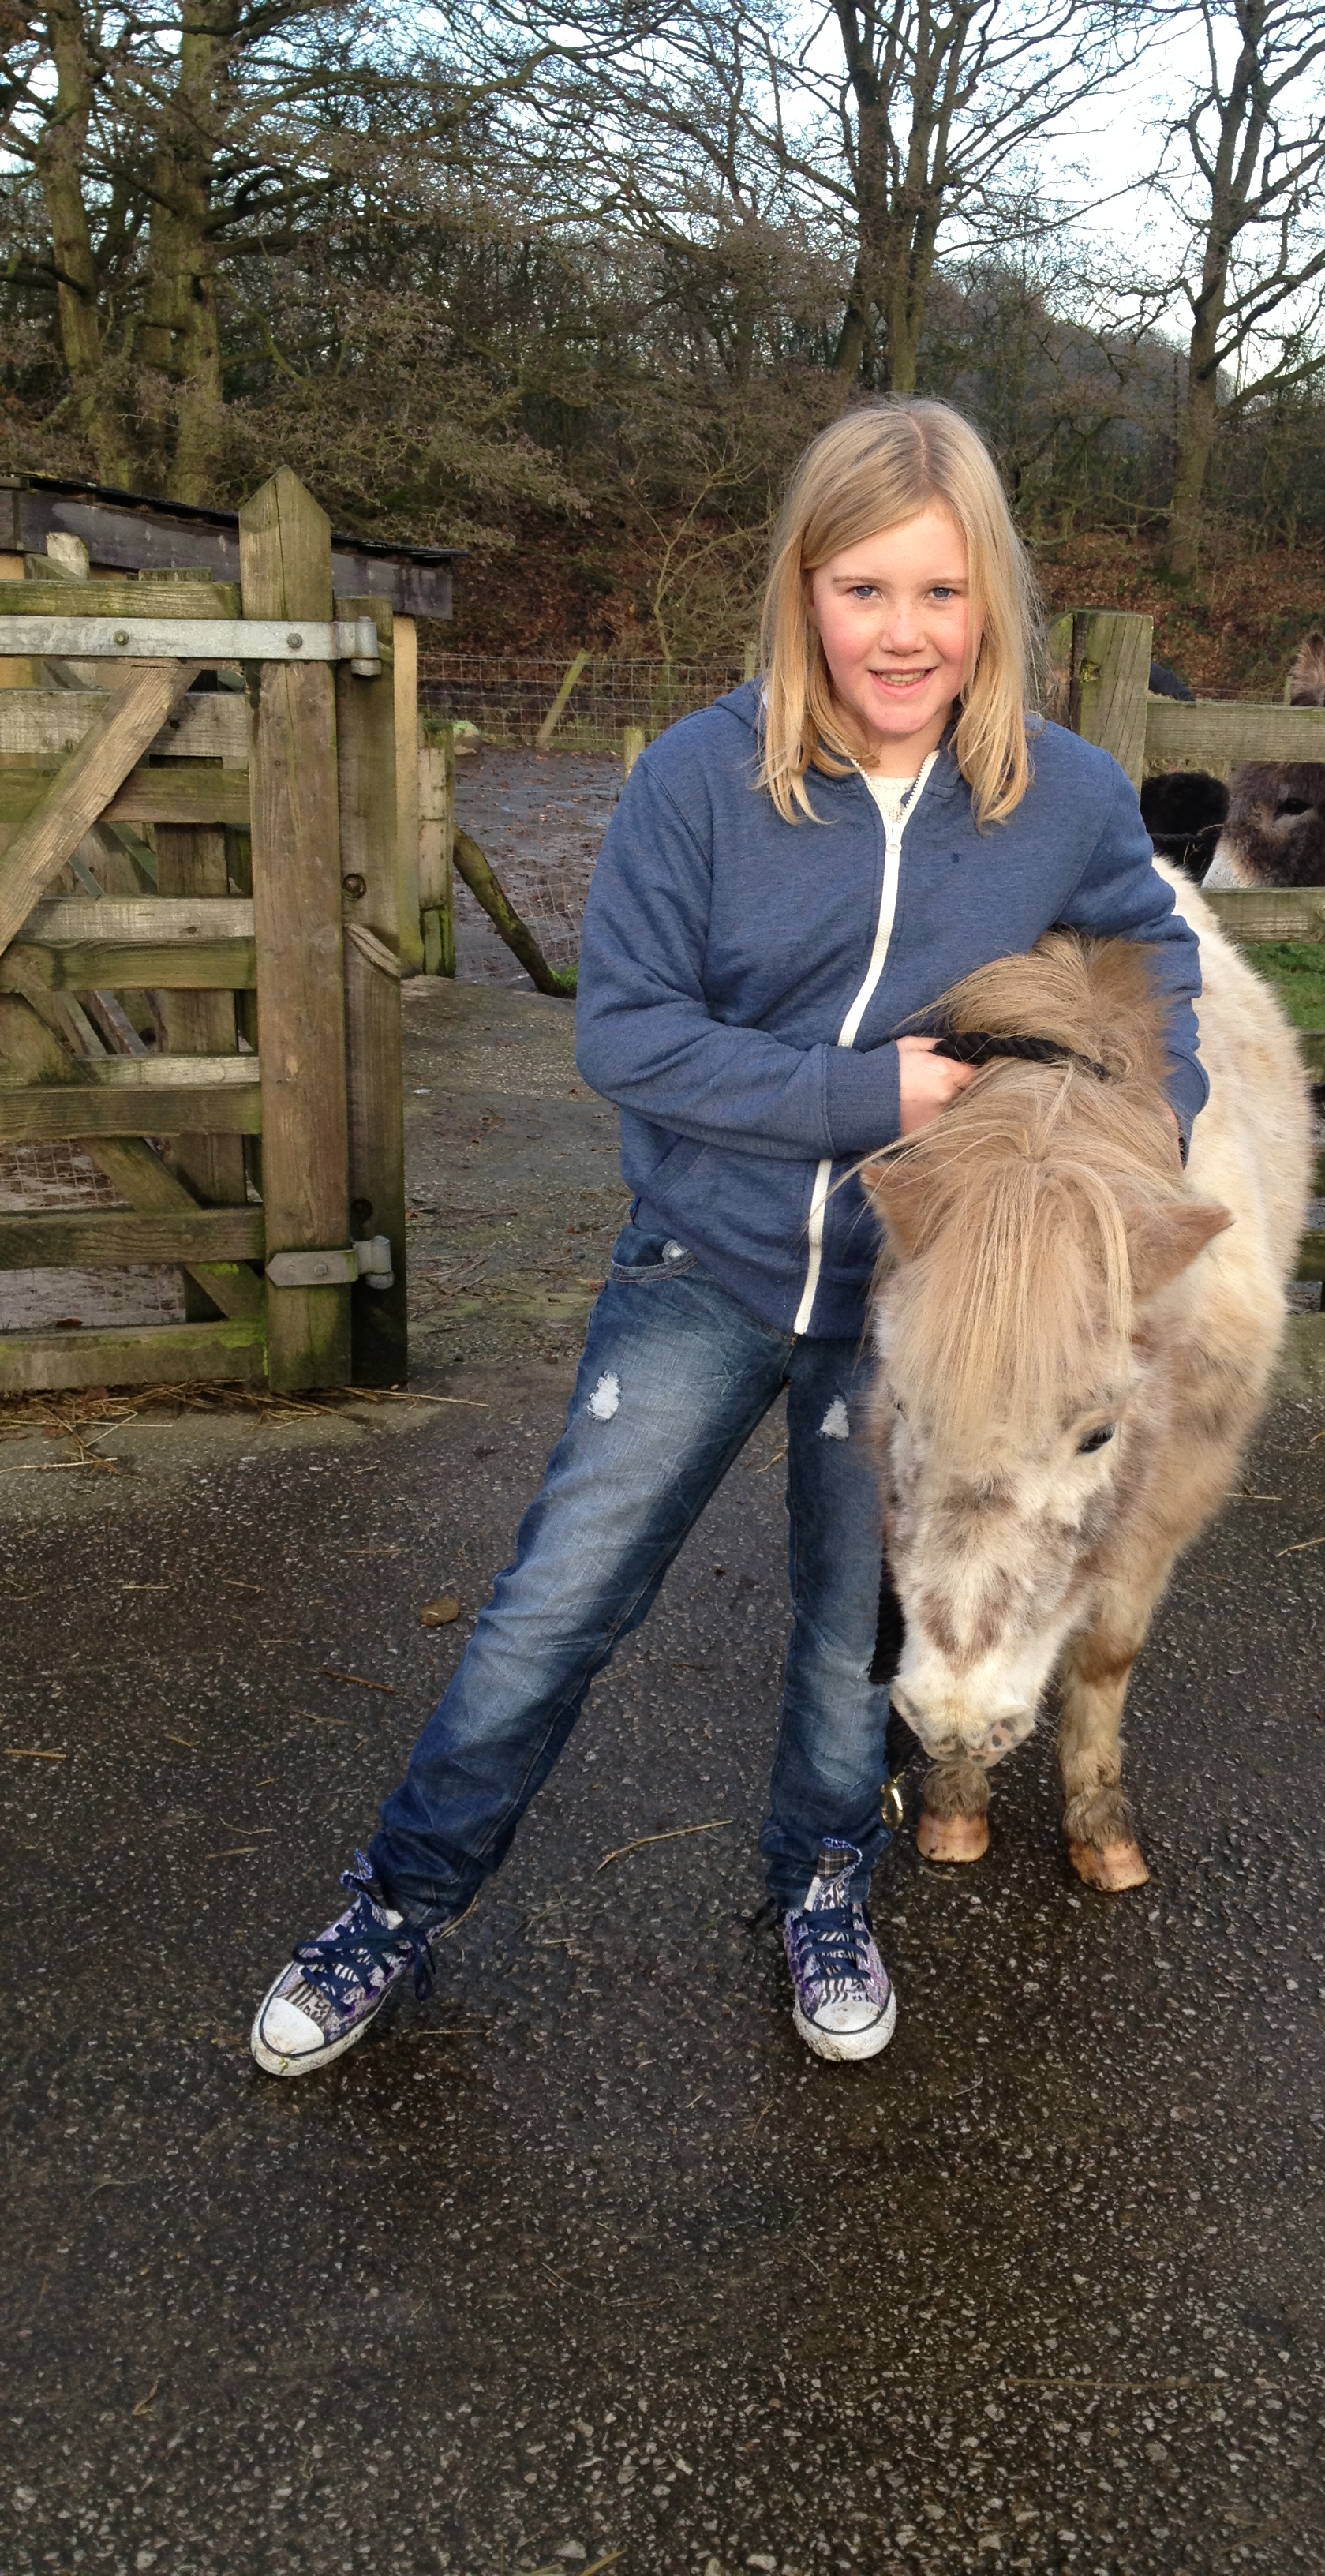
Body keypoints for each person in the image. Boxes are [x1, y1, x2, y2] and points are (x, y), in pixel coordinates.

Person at [249, 396, 1207, 2077]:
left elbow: (1156, 952)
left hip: (919, 1312)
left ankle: (821, 1883)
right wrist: (873, 1099)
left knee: (855, 1627)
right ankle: (398, 1902)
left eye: (940, 592)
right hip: (706, 1269)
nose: (901, 633)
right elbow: (626, 1036)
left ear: (994, 601)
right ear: (801, 591)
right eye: (862, 590)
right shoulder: (703, 778)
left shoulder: (1063, 796)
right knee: (560, 1602)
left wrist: (1142, 1136)